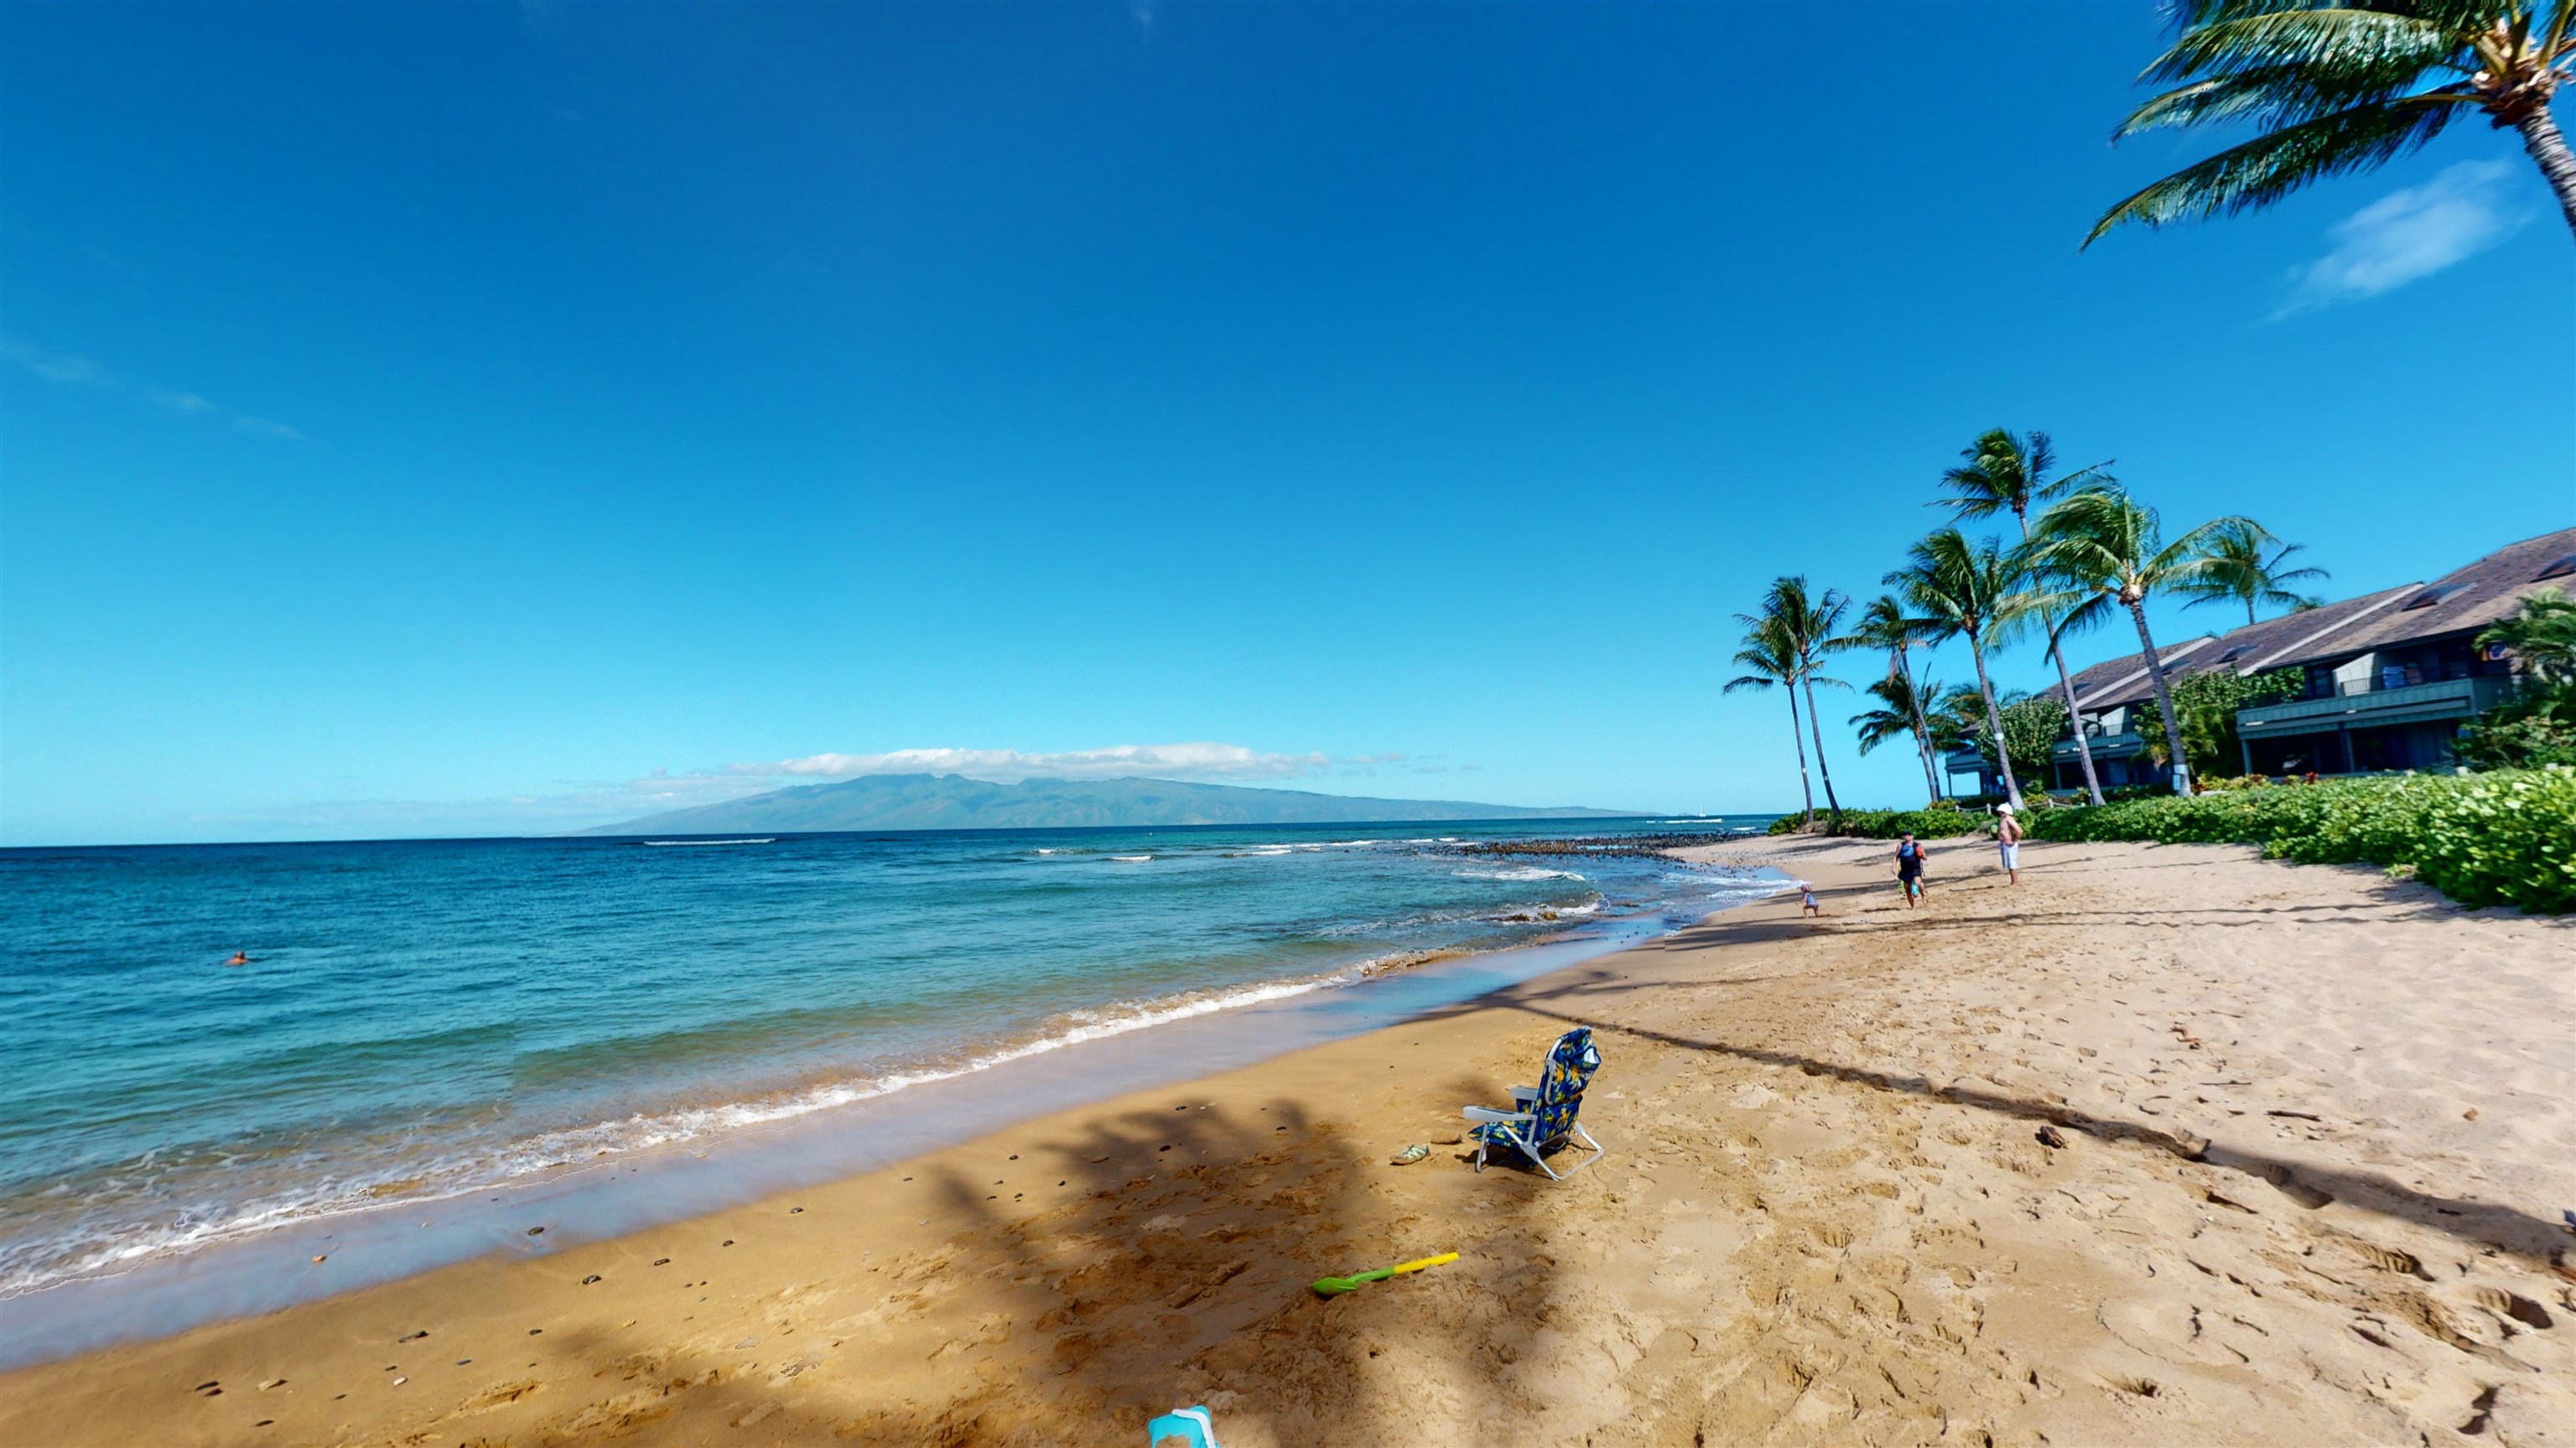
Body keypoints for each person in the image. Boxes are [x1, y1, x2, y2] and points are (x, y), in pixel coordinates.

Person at [1893, 832, 1926, 908]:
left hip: (1915, 868)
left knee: (1918, 883)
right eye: (1905, 835)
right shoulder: (1901, 845)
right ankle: (1913, 906)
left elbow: (1925, 857)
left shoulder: (1917, 845)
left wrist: (1922, 854)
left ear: (1913, 836)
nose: (1907, 836)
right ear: (1903, 836)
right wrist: (1893, 866)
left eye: (1909, 834)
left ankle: (1923, 895)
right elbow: (1895, 857)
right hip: (1905, 870)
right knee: (1907, 888)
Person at [1997, 802, 2024, 885]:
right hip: (2005, 843)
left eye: (2002, 812)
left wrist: (2014, 840)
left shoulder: (2009, 819)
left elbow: (2019, 830)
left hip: (2009, 844)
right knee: (2009, 863)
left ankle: (2015, 882)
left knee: (2012, 862)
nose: (2000, 813)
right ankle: (2013, 882)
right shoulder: (2005, 819)